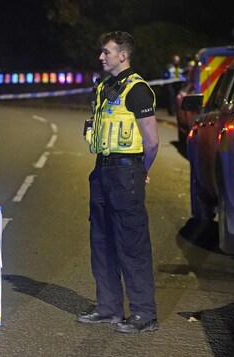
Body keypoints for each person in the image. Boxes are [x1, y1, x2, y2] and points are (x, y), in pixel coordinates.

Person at [79, 31, 159, 333]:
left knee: (132, 244)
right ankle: (108, 307)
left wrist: (141, 170)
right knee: (101, 241)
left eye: (106, 52)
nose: (101, 57)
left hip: (126, 173)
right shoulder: (104, 87)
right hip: (101, 171)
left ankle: (144, 314)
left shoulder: (138, 90)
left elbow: (151, 141)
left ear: (123, 55)